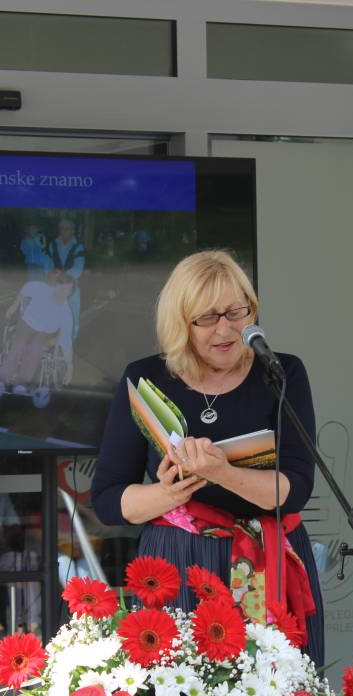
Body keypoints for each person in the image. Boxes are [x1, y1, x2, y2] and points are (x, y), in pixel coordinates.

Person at [91, 250, 324, 665]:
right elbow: (108, 501)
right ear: (181, 323)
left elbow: (296, 489)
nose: (226, 328)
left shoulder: (280, 373)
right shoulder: (145, 379)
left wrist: (222, 472)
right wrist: (169, 493)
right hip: (179, 563)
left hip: (268, 560)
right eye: (208, 318)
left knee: (277, 694)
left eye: (236, 312)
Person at [0, 268, 74, 392]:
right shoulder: (42, 289)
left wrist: (69, 367)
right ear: (56, 286)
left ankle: (22, 382)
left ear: (70, 293)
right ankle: (2, 379)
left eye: (67, 290)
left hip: (44, 332)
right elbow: (26, 288)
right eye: (61, 288)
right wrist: (14, 305)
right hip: (27, 323)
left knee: (35, 350)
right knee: (19, 345)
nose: (62, 292)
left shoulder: (66, 314)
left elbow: (66, 341)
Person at [47, 218, 86, 338]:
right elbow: (47, 264)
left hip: (71, 287)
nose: (64, 231)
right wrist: (49, 273)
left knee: (72, 316)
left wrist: (60, 275)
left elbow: (78, 269)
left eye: (67, 228)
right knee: (54, 314)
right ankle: (55, 342)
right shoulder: (53, 244)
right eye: (62, 228)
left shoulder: (78, 247)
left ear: (73, 231)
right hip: (55, 286)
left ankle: (70, 342)